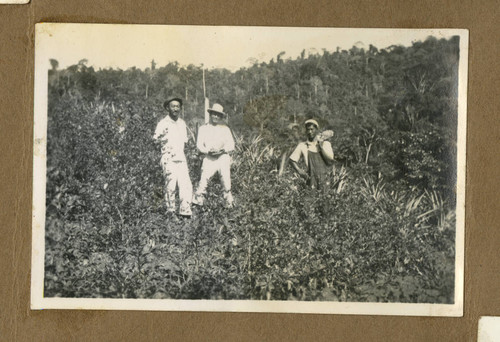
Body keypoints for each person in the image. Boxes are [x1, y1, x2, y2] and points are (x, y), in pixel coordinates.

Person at [153, 96, 193, 217]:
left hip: (181, 158)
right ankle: (170, 212)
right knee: (170, 185)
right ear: (167, 108)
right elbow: (155, 140)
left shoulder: (182, 123)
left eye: (177, 106)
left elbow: (184, 142)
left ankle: (185, 212)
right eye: (173, 106)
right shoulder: (162, 123)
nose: (175, 109)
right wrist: (165, 149)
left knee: (186, 184)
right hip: (168, 158)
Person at [192, 103, 235, 208]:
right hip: (209, 157)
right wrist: (207, 151)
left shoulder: (225, 129)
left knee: (226, 181)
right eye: (214, 114)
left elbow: (231, 145)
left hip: (222, 157)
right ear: (210, 114)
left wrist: (222, 150)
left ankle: (228, 206)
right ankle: (198, 205)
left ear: (221, 117)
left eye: (218, 115)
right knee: (204, 181)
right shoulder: (203, 128)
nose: (216, 117)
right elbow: (199, 145)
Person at [289, 119, 334, 189]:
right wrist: (300, 172)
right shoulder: (303, 145)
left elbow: (330, 159)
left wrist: (321, 146)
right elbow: (291, 160)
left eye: (312, 129)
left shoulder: (326, 144)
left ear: (317, 130)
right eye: (308, 130)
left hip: (325, 181)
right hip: (311, 181)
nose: (310, 132)